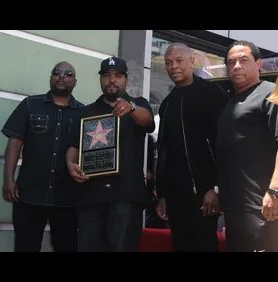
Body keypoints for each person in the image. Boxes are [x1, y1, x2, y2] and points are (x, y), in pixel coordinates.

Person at [66, 56, 155, 252]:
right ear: (100, 79)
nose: (112, 80)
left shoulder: (138, 105)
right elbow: (73, 145)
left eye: (118, 75)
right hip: (91, 197)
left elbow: (148, 121)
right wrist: (70, 164)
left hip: (125, 197)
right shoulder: (85, 112)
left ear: (126, 80)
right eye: (106, 75)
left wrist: (131, 108)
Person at [1, 61, 84, 252]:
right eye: (57, 72)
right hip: (29, 195)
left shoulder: (83, 113)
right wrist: (8, 180)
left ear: (75, 81)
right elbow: (14, 143)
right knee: (25, 247)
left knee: (67, 247)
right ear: (51, 77)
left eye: (68, 73)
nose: (62, 76)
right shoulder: (30, 105)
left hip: (67, 199)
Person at [155, 43, 229, 252]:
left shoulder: (212, 93)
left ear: (191, 61)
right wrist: (162, 194)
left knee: (205, 245)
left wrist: (216, 187)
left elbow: (224, 143)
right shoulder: (167, 103)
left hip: (205, 195)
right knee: (181, 245)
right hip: (176, 197)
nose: (173, 67)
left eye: (179, 61)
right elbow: (164, 152)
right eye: (169, 63)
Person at [216, 40, 278, 252]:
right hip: (234, 208)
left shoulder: (272, 93)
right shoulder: (230, 103)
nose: (236, 66)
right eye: (231, 62)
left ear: (259, 64)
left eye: (243, 60)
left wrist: (274, 191)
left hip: (263, 206)